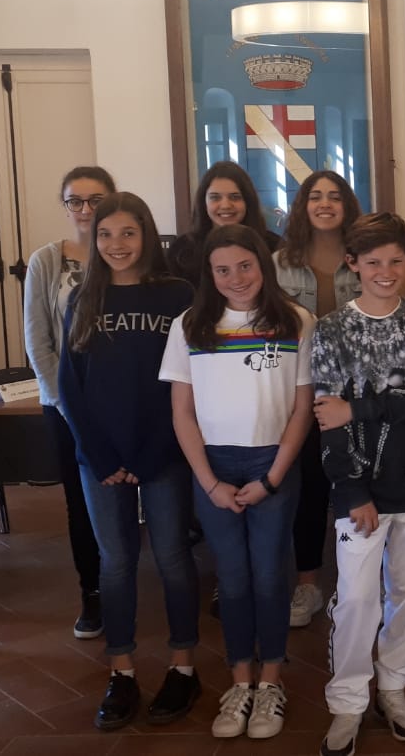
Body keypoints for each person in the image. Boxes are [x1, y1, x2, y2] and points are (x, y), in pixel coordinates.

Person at [163, 224, 315, 739]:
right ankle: (240, 682)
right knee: (231, 580)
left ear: (263, 265)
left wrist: (272, 478)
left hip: (273, 462)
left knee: (270, 575)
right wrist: (209, 483)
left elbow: (302, 410)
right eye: (222, 270)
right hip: (215, 468)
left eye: (245, 266)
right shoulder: (190, 325)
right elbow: (182, 413)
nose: (236, 278)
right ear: (209, 274)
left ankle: (271, 681)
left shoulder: (296, 320)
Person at [56, 192, 199, 732]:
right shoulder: (82, 297)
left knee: (172, 557)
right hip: (101, 458)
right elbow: (70, 385)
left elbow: (186, 382)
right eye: (106, 234)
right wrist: (101, 454)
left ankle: (183, 666)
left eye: (128, 233)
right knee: (115, 561)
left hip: (162, 451)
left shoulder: (177, 295)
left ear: (147, 235)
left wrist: (149, 454)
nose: (116, 244)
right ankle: (122, 671)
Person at [311, 212, 405, 756]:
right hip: (361, 491)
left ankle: (394, 686)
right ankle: (347, 701)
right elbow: (327, 415)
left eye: (395, 261)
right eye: (373, 262)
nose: (386, 272)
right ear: (353, 264)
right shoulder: (331, 329)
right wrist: (352, 491)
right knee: (357, 599)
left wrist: (359, 407)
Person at [22, 165, 114, 640]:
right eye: (75, 201)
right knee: (80, 500)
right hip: (65, 406)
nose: (85, 210)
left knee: (124, 495)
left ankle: (125, 584)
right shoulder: (45, 261)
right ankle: (92, 593)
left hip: (119, 402)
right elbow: (38, 341)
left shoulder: (125, 253)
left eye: (95, 200)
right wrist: (66, 404)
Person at [273, 170, 364, 629]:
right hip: (302, 392)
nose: (325, 204)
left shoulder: (364, 258)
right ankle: (308, 583)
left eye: (334, 196)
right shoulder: (279, 263)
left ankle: (361, 582)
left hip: (358, 392)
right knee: (309, 491)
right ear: (302, 206)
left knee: (359, 487)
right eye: (315, 196)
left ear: (347, 205)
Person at [167, 161, 283, 287]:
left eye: (235, 197)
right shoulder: (181, 250)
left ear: (248, 201)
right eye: (215, 197)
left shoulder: (274, 247)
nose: (225, 205)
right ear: (203, 202)